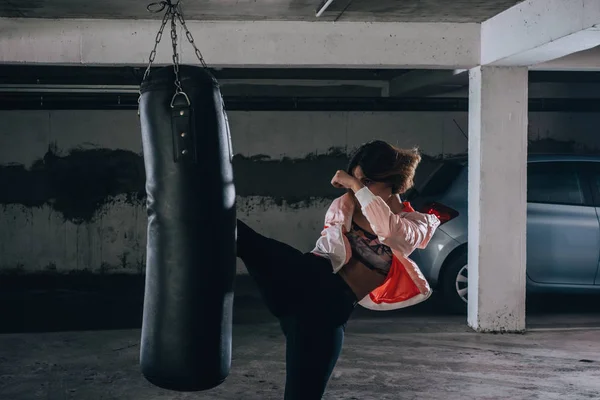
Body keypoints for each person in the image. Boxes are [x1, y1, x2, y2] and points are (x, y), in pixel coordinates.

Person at [236, 140, 441, 399]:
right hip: (310, 279)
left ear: (392, 182)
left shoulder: (417, 224)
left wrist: (355, 184)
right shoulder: (347, 205)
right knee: (245, 240)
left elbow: (390, 232)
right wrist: (358, 189)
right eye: (356, 181)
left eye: (367, 183)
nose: (357, 190)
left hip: (331, 312)